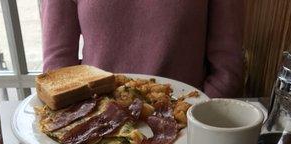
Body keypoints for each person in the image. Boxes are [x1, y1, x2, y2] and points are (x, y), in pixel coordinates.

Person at [41, 0, 244, 98]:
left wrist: (194, 117)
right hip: (93, 130)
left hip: (188, 136)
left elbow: (227, 70)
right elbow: (58, 68)